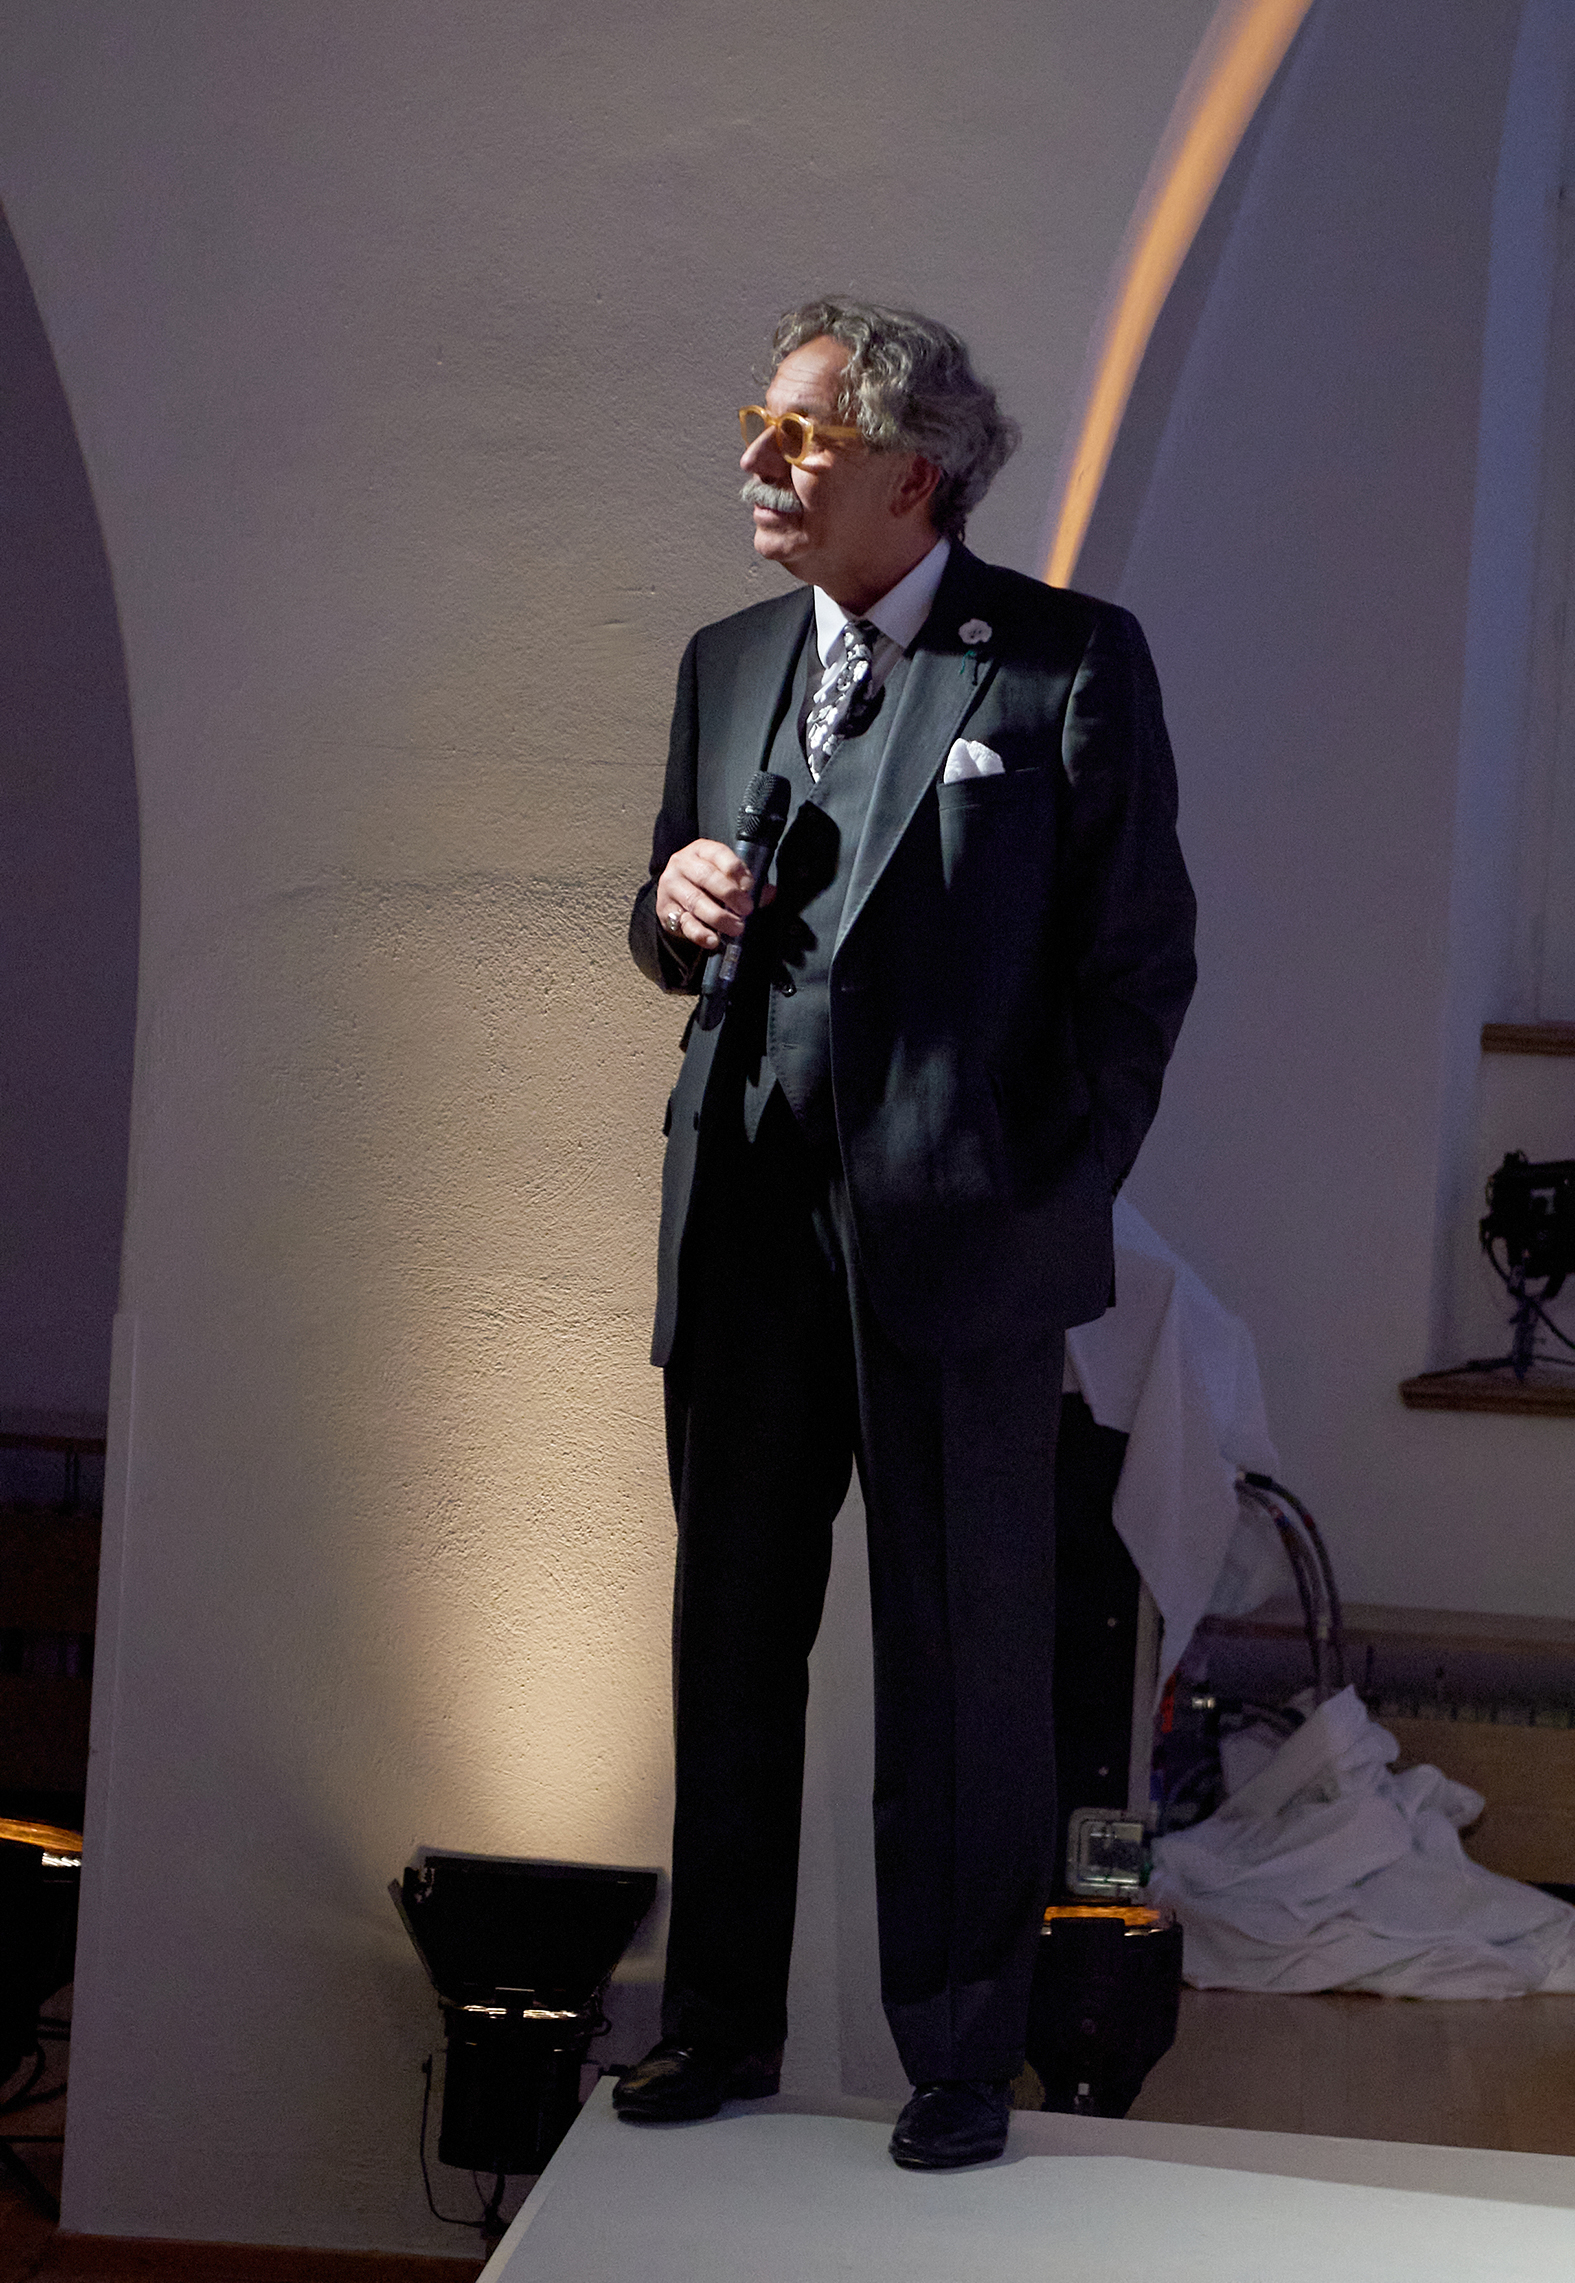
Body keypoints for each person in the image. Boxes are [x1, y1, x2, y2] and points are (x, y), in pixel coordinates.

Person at [615, 299, 1196, 2170]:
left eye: (799, 436)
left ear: (914, 475)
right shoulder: (725, 662)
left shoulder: (1066, 663)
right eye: (758, 422)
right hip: (744, 1233)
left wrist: (1048, 1200)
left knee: (964, 1659)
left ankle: (961, 2049)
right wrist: (667, 900)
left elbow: (1137, 969)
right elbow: (672, 932)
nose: (757, 462)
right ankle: (716, 2023)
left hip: (961, 1257)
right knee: (730, 1638)